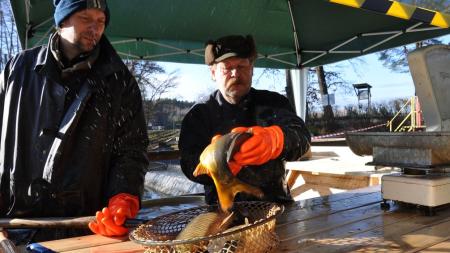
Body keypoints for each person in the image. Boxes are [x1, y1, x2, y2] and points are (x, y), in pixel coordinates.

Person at [0, 0, 149, 244]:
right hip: (14, 226)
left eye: (101, 20)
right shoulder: (17, 70)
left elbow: (131, 151)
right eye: (85, 18)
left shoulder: (121, 83)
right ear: (62, 20)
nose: (95, 28)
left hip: (87, 230)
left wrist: (124, 195)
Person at [179, 35, 311, 207]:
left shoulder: (274, 103)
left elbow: (302, 137)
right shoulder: (199, 114)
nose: (235, 73)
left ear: (252, 68)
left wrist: (275, 140)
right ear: (213, 73)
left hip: (277, 205)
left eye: (242, 65)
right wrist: (215, 165)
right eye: (227, 68)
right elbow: (188, 163)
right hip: (222, 210)